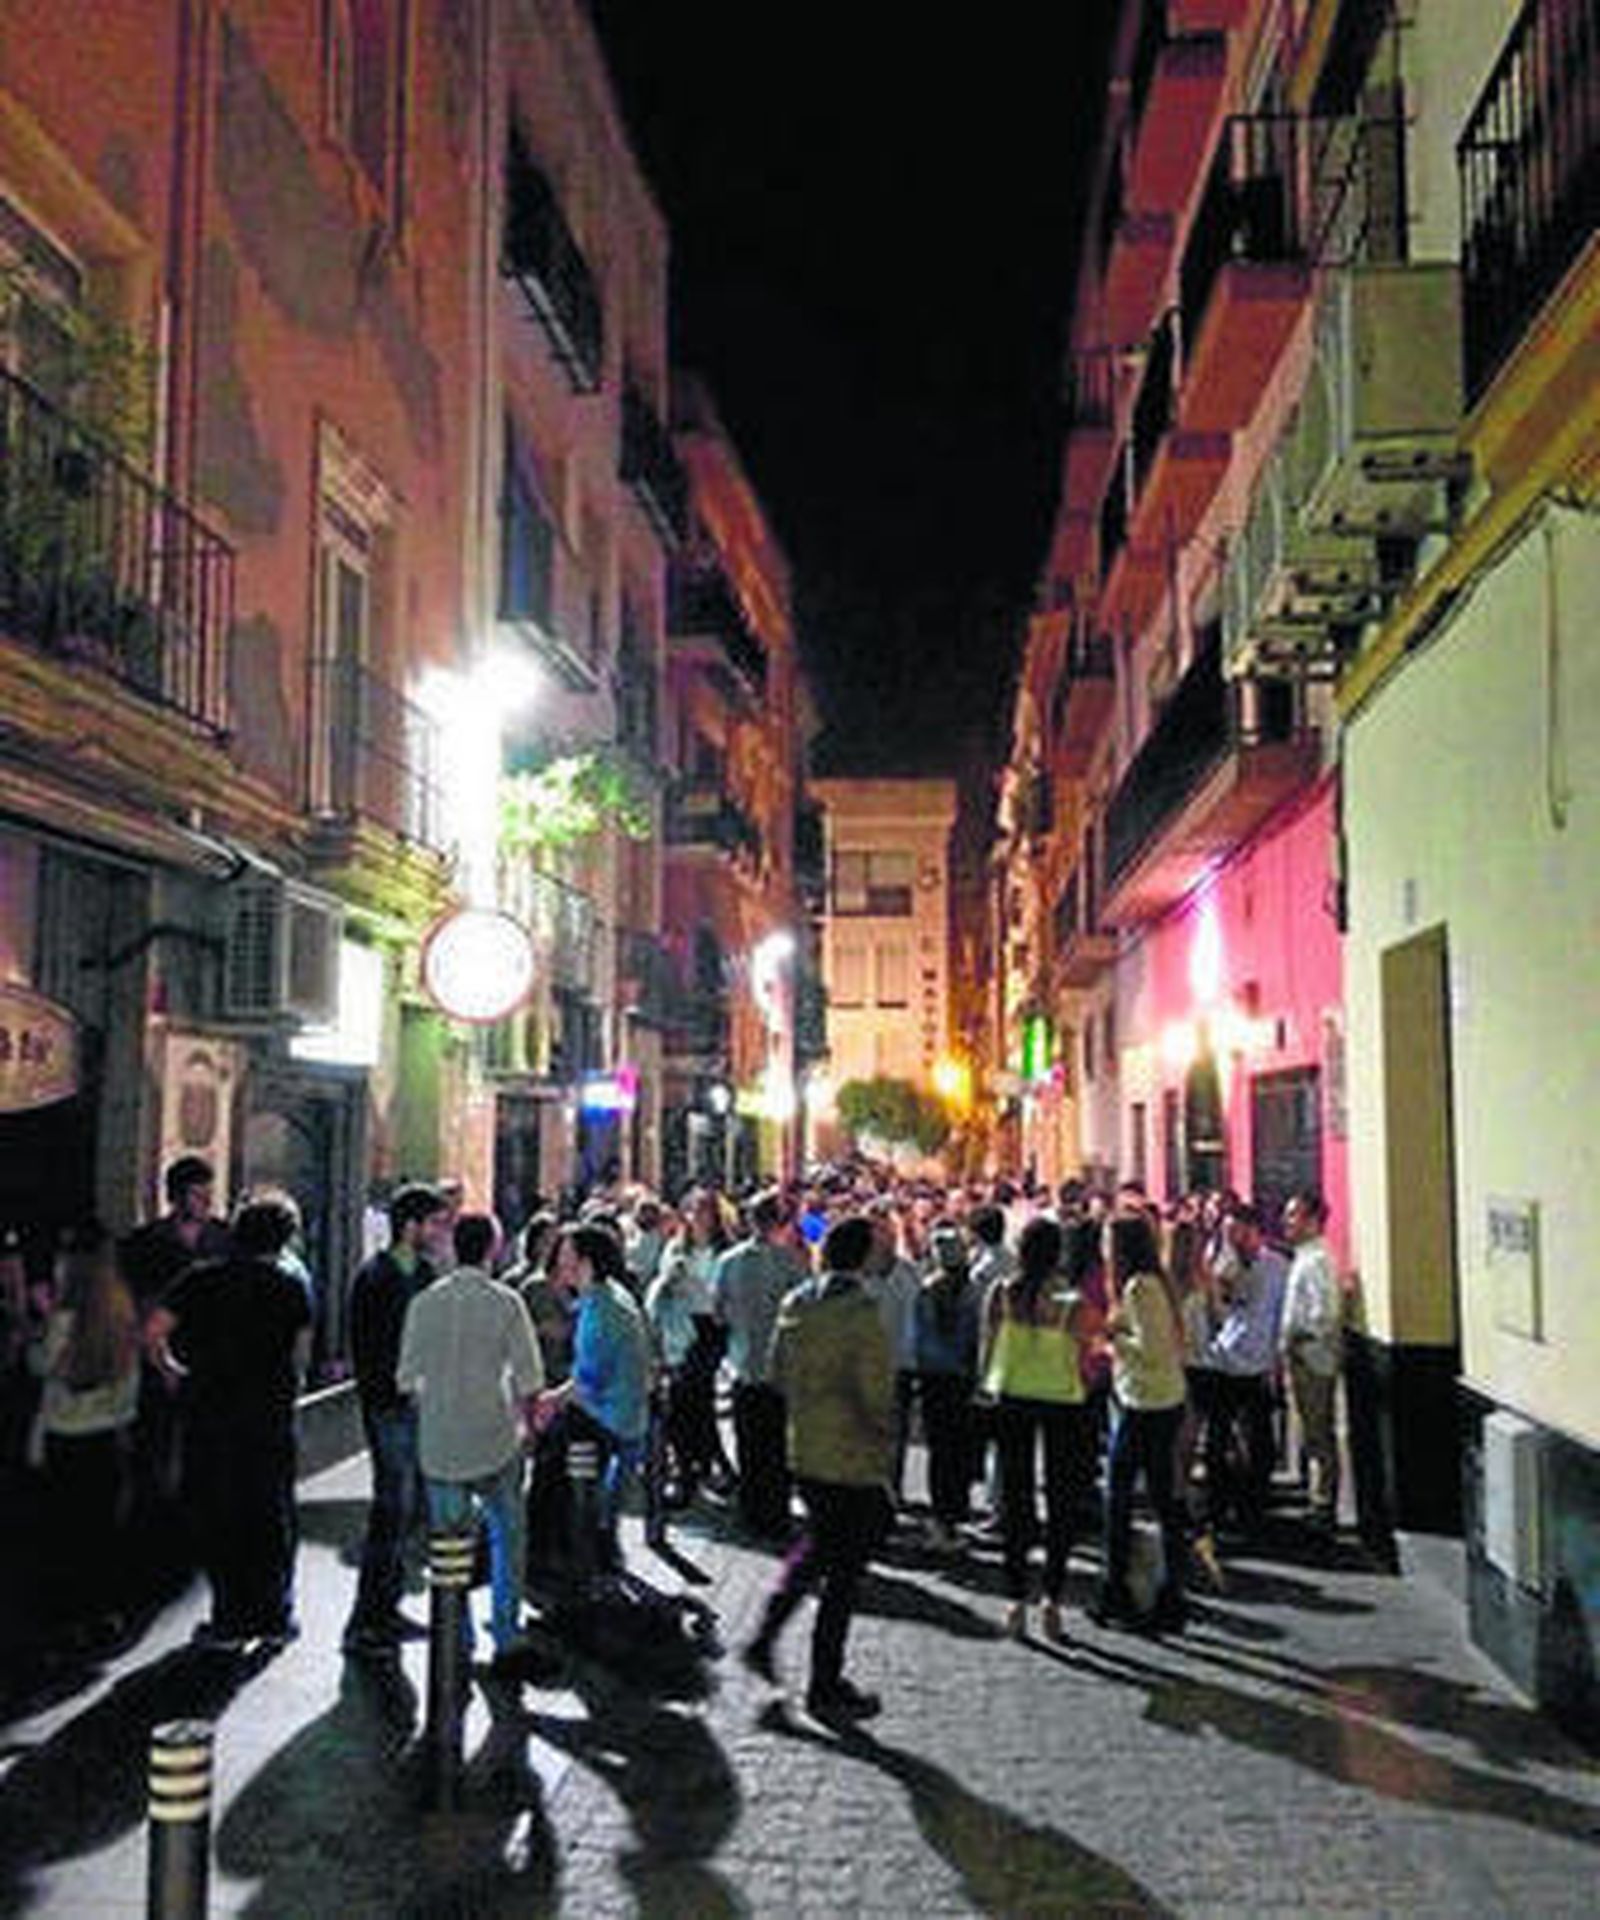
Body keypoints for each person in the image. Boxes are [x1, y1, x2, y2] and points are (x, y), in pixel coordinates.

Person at [742, 1215, 893, 1725]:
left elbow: (775, 1371)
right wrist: (883, 1439)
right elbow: (876, 1392)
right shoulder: (862, 1314)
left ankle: (766, 1636)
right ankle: (824, 1683)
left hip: (805, 1446)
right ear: (864, 1255)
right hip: (850, 1453)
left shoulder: (797, 1303)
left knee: (819, 1549)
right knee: (844, 1571)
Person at [148, 1195, 311, 1648]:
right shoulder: (289, 1287)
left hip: (211, 1411)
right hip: (269, 1415)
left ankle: (229, 1615)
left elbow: (154, 1332)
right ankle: (274, 1614)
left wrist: (174, 1373)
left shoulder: (201, 1279)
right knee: (272, 1513)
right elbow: (300, 1353)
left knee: (220, 1511)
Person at [397, 1212, 544, 1671]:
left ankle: (454, 1635)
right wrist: (529, 1429)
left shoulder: (424, 1304)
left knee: (449, 1546)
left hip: (440, 1444)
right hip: (495, 1439)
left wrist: (433, 1405)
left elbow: (406, 1379)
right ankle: (505, 1633)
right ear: (493, 1248)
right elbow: (528, 1377)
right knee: (508, 1539)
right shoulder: (507, 1303)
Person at [343, 1182, 451, 1656]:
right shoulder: (376, 1276)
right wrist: (395, 1390)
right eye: (433, 1223)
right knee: (392, 1506)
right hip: (390, 1407)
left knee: (409, 1510)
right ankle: (367, 1619)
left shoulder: (425, 1273)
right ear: (410, 1225)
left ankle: (385, 1608)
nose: (439, 1231)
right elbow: (369, 1348)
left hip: (419, 1406)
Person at [980, 1215, 1092, 1641]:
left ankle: (1014, 1599)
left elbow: (987, 1347)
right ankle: (1052, 1599)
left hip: (1012, 1394)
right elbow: (1085, 1351)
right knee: (1061, 1497)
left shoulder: (1003, 1292)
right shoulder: (1068, 1298)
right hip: (1061, 1397)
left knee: (1016, 1495)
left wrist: (983, 1388)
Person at [33, 1224, 140, 1643]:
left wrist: (38, 1322)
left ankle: (69, 1618)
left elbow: (45, 1369)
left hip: (67, 1435)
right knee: (102, 1530)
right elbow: (130, 1387)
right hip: (110, 1435)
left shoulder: (65, 1317)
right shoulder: (122, 1311)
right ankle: (106, 1612)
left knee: (65, 1531)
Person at [534, 1224, 653, 1575]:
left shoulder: (601, 1309)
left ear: (586, 1263)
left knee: (552, 1465)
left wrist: (549, 1402)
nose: (560, 1262)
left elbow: (590, 1382)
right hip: (623, 1416)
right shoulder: (609, 1295)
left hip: (609, 1422)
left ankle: (566, 1558)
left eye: (567, 1255)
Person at [1095, 1212, 1190, 1633]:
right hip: (1155, 1399)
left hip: (1147, 1404)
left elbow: (1151, 1348)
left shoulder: (1140, 1287)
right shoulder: (1152, 1284)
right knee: (1160, 1497)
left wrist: (1113, 1339)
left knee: (1122, 1497)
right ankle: (1167, 1593)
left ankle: (1120, 1590)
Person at [713, 1190, 808, 1537]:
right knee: (778, 1447)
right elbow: (805, 1308)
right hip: (781, 1369)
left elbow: (717, 1312)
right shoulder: (789, 1262)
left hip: (742, 1366)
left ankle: (751, 1513)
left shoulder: (728, 1262)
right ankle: (776, 1515)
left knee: (748, 1445)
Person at [1204, 1202, 1288, 1538]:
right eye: (1226, 1232)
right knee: (1218, 1438)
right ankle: (1219, 1504)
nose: (1230, 1238)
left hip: (1260, 1362)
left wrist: (1278, 1364)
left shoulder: (1278, 1267)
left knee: (1259, 1439)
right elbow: (1215, 1312)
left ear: (1253, 1230)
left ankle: (1254, 1505)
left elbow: (1282, 1315)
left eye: (1235, 1231)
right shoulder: (1221, 1263)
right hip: (1224, 1359)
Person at [651, 1190, 733, 1496]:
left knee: (691, 1392)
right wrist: (671, 1281)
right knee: (689, 1398)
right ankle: (705, 1463)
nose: (698, 1218)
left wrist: (697, 1288)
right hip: (681, 1327)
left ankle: (694, 1466)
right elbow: (660, 1287)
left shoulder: (723, 1252)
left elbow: (723, 1294)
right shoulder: (676, 1248)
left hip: (710, 1328)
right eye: (694, 1211)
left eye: (705, 1212)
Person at [914, 1222, 981, 1550]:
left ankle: (941, 1518)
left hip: (933, 1380)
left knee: (939, 1452)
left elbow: (919, 1339)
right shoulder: (971, 1292)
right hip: (963, 1379)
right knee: (960, 1449)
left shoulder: (926, 1291)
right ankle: (957, 1513)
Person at [1280, 1190, 1343, 1534]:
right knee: (1311, 1432)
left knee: (1319, 1434)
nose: (1286, 1222)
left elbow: (1325, 1314)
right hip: (1304, 1359)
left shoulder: (1318, 1260)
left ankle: (1324, 1507)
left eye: (1294, 1215)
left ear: (1313, 1220)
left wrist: (1297, 1341)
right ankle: (1317, 1500)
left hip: (1313, 1361)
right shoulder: (1305, 1257)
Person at [864, 1201, 922, 1506]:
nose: (880, 1236)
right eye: (874, 1229)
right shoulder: (857, 1276)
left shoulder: (908, 1272)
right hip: (865, 1364)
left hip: (899, 1363)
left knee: (895, 1431)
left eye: (885, 1228)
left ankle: (892, 1488)